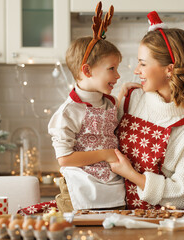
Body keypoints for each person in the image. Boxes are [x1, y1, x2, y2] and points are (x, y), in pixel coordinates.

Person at [109, 11, 184, 210]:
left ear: (169, 70)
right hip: (108, 210)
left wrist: (131, 175)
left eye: (143, 64)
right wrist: (116, 101)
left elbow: (182, 195)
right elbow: (100, 140)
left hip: (155, 223)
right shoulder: (131, 99)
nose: (136, 70)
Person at [48, 2, 139, 212]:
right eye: (112, 69)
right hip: (80, 190)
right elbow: (65, 158)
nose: (117, 76)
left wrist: (123, 93)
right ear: (87, 70)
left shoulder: (108, 102)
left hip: (111, 188)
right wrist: (105, 154)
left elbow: (111, 121)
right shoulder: (68, 112)